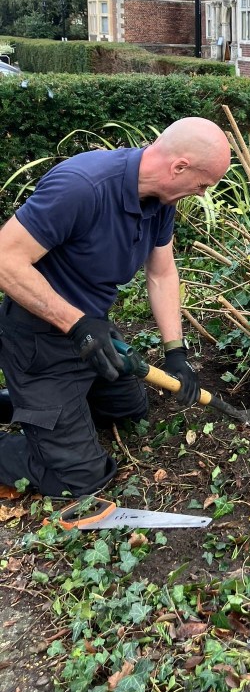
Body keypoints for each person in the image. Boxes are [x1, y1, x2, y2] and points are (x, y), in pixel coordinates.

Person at [0, 117, 231, 497]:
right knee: (80, 478)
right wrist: (76, 324)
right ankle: (40, 414)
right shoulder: (82, 186)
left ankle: (32, 410)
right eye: (204, 185)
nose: (204, 194)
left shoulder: (160, 200)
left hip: (92, 336)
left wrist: (176, 352)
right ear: (179, 167)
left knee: (129, 412)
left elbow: (162, 273)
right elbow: (7, 260)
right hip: (39, 339)